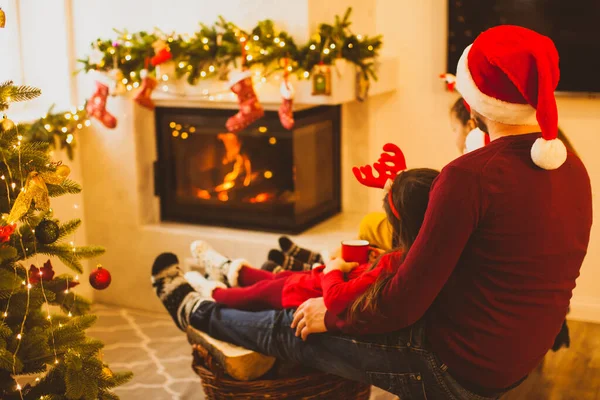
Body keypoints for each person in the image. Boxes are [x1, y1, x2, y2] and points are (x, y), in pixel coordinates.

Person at [151, 26, 593, 399]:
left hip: (458, 366)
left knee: (297, 324)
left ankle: (195, 310)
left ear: (474, 97)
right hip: (516, 356)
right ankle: (236, 286)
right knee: (345, 285)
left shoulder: (470, 176)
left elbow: (404, 301)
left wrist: (331, 313)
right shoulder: (571, 166)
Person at [184, 168, 439, 314]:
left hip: (308, 293)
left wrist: (334, 268)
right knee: (279, 277)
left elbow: (337, 298)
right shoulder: (410, 259)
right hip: (312, 281)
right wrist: (374, 257)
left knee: (260, 292)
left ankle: (211, 293)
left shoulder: (395, 266)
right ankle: (231, 270)